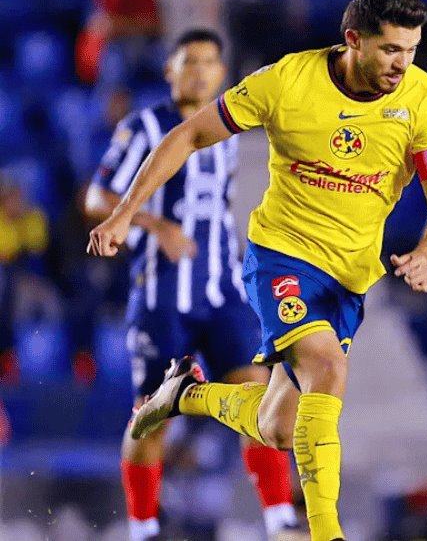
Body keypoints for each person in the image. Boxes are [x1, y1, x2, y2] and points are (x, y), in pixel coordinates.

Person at [87, 0, 427, 541]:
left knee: (278, 427)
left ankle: (185, 395)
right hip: (281, 258)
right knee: (328, 371)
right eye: (389, 50)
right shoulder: (286, 82)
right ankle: (324, 532)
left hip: (348, 280)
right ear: (353, 39)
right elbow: (189, 135)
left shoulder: (422, 97)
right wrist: (124, 214)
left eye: (410, 50)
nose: (401, 64)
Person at [84, 29, 301, 541]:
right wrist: (154, 227)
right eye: (189, 61)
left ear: (222, 74)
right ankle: (143, 527)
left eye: (209, 62)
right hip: (164, 295)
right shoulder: (144, 126)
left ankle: (278, 518)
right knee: (152, 416)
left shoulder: (228, 129)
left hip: (221, 290)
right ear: (170, 71)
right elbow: (97, 197)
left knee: (259, 394)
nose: (200, 71)